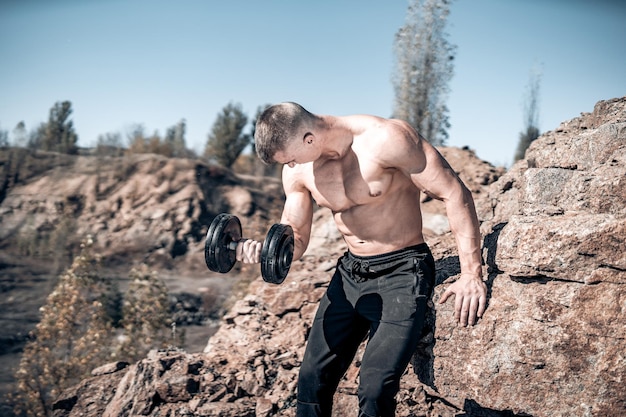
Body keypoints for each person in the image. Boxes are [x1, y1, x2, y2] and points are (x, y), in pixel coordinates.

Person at [236, 102, 487, 417]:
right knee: (312, 380)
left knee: (374, 390)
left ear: (309, 139)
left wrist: (471, 275)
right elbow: (295, 239)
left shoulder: (387, 138)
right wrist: (262, 251)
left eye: (289, 159)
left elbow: (454, 193)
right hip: (350, 274)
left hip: (403, 271)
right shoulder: (300, 171)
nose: (289, 167)